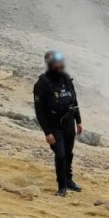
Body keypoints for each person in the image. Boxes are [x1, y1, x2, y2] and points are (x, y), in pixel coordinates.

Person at [33, 51, 83, 196]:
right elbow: (39, 111)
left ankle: (69, 180)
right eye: (57, 63)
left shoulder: (66, 79)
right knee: (60, 155)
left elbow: (74, 101)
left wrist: (78, 121)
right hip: (54, 126)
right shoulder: (42, 84)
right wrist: (47, 132)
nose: (61, 66)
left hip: (69, 123)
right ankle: (62, 186)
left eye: (61, 62)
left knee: (68, 153)